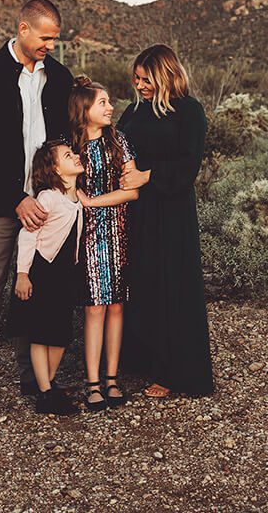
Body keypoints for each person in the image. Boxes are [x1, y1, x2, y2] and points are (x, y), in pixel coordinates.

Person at [0, 0, 73, 424]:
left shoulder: (58, 77)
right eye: (45, 37)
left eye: (55, 39)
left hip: (45, 204)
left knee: (37, 289)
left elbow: (64, 138)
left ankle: (35, 378)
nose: (50, 45)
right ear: (23, 28)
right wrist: (16, 197)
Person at [118, 45, 214, 399]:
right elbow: (119, 147)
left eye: (146, 79)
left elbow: (189, 166)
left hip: (171, 212)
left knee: (172, 287)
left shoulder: (189, 111)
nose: (139, 85)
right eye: (136, 78)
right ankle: (142, 361)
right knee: (142, 284)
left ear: (164, 74)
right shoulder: (135, 110)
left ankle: (175, 372)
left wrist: (147, 176)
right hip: (136, 211)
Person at [69, 75, 143, 411]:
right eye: (103, 102)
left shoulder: (119, 141)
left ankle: (112, 378)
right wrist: (79, 201)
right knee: (94, 307)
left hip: (120, 230)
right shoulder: (69, 146)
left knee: (116, 305)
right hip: (85, 235)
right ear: (84, 110)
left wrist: (92, 201)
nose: (111, 107)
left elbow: (133, 190)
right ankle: (92, 382)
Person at [14, 140, 86, 416]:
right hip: (42, 271)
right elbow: (28, 235)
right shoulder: (47, 197)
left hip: (65, 272)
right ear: (55, 168)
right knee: (41, 332)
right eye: (68, 155)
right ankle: (45, 391)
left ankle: (49, 383)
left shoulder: (76, 196)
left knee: (60, 334)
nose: (76, 157)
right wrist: (23, 275)